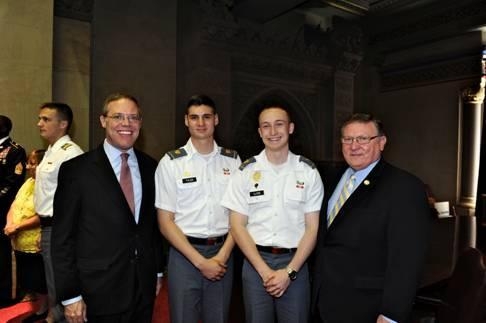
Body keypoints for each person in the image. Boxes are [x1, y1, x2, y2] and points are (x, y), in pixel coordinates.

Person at [51, 93, 163, 323]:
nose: (126, 124)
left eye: (133, 118)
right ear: (103, 120)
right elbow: (62, 239)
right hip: (98, 291)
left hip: (143, 288)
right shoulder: (76, 170)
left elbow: (151, 228)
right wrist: (70, 295)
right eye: (118, 117)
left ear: (140, 123)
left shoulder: (152, 167)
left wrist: (158, 271)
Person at [311, 113, 432, 323]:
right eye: (348, 139)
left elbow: (406, 260)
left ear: (382, 142)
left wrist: (392, 314)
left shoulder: (404, 187)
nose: (354, 146)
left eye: (363, 139)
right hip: (325, 302)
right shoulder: (332, 178)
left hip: (367, 308)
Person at [221, 102, 324, 323]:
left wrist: (290, 272)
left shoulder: (308, 172)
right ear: (259, 132)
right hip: (255, 263)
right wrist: (263, 271)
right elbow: (237, 226)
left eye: (279, 124)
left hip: (295, 263)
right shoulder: (245, 171)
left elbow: (312, 228)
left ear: (291, 128)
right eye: (266, 126)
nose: (273, 132)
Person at [155, 94, 240, 323]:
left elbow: (238, 218)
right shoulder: (171, 163)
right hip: (184, 255)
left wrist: (222, 256)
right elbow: (165, 222)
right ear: (186, 121)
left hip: (223, 253)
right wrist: (200, 262)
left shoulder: (232, 161)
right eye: (194, 117)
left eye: (206, 117)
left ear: (216, 120)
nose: (201, 123)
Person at [35, 102, 83, 322]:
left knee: (62, 286)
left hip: (61, 228)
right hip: (48, 227)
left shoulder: (69, 153)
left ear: (63, 124)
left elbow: (77, 199)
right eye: (40, 118)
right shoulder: (51, 151)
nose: (39, 123)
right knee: (53, 283)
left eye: (46, 119)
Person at [3, 149, 48, 320]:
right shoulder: (28, 182)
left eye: (33, 163)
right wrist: (9, 223)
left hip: (36, 240)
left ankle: (44, 310)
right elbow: (15, 203)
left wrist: (18, 226)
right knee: (29, 278)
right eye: (29, 163)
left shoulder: (48, 185)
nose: (29, 167)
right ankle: (38, 307)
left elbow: (42, 214)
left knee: (41, 279)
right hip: (19, 240)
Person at [0, 115, 26, 307]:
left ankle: (7, 294)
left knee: (4, 253)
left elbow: (13, 181)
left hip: (4, 208)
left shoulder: (15, 151)